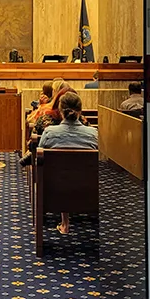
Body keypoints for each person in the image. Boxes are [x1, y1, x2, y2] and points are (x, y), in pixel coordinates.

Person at [38, 91, 98, 235]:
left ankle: (65, 222)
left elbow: (38, 158)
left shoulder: (49, 133)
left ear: (60, 110)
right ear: (80, 111)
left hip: (54, 191)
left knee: (62, 176)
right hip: (88, 191)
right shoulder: (93, 134)